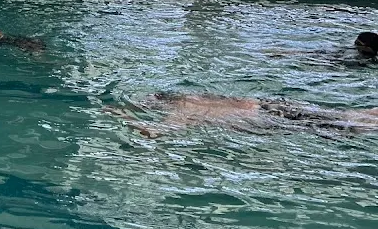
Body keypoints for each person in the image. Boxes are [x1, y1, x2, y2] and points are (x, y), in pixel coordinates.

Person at [105, 91, 378, 137]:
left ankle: (367, 119)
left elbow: (154, 133)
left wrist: (123, 118)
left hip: (268, 118)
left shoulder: (183, 112)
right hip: (270, 106)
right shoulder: (195, 98)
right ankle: (369, 114)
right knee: (336, 115)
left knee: (339, 124)